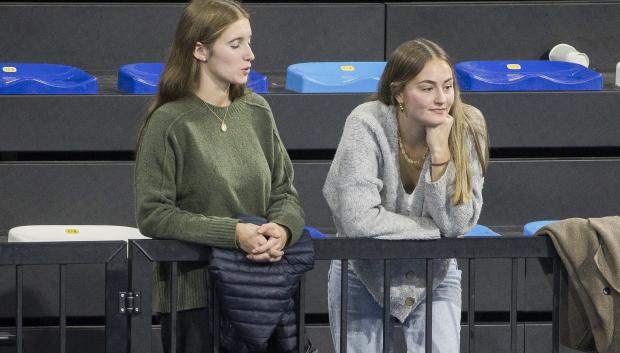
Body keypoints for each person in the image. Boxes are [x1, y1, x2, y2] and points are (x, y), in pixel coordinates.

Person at [134, 1, 305, 352]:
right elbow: (154, 214)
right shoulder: (169, 122)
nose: (250, 55)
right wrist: (233, 234)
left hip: (262, 291)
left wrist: (284, 228)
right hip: (195, 297)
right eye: (236, 44)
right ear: (200, 50)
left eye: (250, 42)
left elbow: (285, 193)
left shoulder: (257, 110)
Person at [323, 38, 489, 353]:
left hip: (435, 273)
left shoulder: (467, 125)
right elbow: (357, 219)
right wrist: (431, 231)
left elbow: (457, 225)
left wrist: (441, 155)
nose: (442, 99)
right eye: (427, 88)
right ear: (399, 93)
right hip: (363, 270)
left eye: (448, 86)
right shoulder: (366, 122)